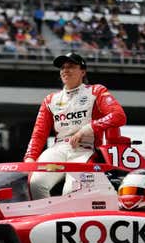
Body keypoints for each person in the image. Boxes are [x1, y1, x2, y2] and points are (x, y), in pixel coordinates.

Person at [24, 52, 126, 199]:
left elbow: (119, 116)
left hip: (85, 149)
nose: (65, 70)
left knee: (70, 192)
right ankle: (49, 220)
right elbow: (39, 133)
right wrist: (30, 158)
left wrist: (86, 129)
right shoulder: (50, 99)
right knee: (35, 184)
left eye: (71, 66)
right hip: (58, 149)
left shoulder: (96, 91)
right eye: (62, 68)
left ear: (82, 72)